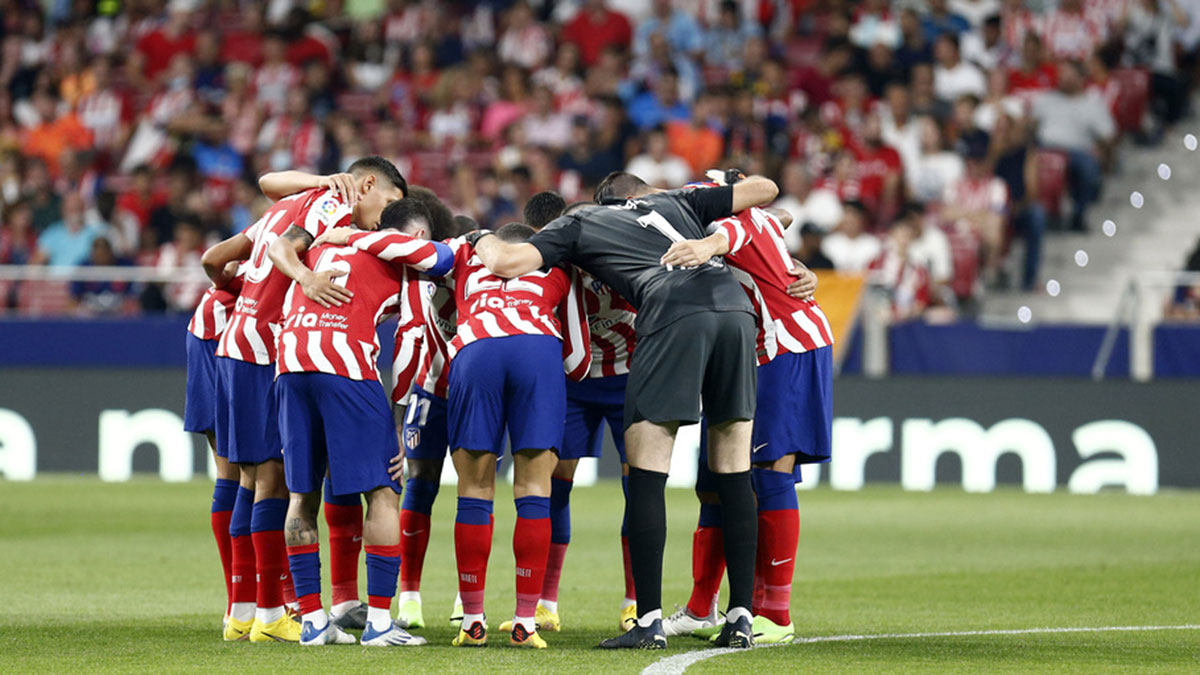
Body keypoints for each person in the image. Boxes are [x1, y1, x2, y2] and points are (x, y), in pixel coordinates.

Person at [471, 170, 780, 650]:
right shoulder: (681, 200)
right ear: (639, 193)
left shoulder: (581, 222)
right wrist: (693, 218)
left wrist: (479, 238)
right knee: (733, 469)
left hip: (672, 312)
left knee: (646, 474)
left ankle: (648, 621)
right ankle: (741, 617)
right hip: (736, 313)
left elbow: (508, 262)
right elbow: (767, 191)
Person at [200, 157, 405, 643]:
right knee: (274, 482)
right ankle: (271, 613)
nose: (388, 217)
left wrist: (240, 293)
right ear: (367, 184)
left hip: (239, 340)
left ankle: (245, 611)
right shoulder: (333, 204)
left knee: (250, 479)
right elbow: (280, 249)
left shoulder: (291, 202)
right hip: (266, 347)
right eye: (390, 202)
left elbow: (216, 255)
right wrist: (306, 280)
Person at [385, 222, 590, 649]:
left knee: (474, 490)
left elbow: (419, 266)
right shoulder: (558, 266)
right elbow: (578, 359)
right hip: (537, 349)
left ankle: (472, 621)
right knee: (535, 489)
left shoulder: (465, 257)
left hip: (475, 348)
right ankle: (525, 623)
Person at [658, 189, 833, 647]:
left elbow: (737, 230)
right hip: (744, 353)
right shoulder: (723, 218)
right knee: (718, 480)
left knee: (770, 469)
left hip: (786, 346)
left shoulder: (732, 222)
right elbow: (781, 215)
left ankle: (774, 613)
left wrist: (703, 248)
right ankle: (701, 608)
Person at [278, 198, 453, 647]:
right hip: (345, 367)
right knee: (384, 490)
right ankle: (378, 622)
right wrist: (398, 418)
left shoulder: (320, 247)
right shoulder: (407, 263)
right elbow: (412, 340)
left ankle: (313, 622)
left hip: (290, 365)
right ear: (417, 236)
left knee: (301, 494)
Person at [183, 258, 245, 637]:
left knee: (254, 474)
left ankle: (248, 602)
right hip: (217, 341)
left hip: (227, 337)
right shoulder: (290, 242)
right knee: (243, 472)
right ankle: (239, 601)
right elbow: (215, 261)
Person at [1030, 60, 1115, 232]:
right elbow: (1031, 128)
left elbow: (1108, 136)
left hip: (1077, 152)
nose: (1063, 78)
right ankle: (1045, 214)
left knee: (1088, 166)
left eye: (1068, 74)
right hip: (1045, 150)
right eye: (1062, 74)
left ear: (1081, 78)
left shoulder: (1092, 104)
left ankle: (1079, 214)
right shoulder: (1046, 99)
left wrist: (1104, 156)